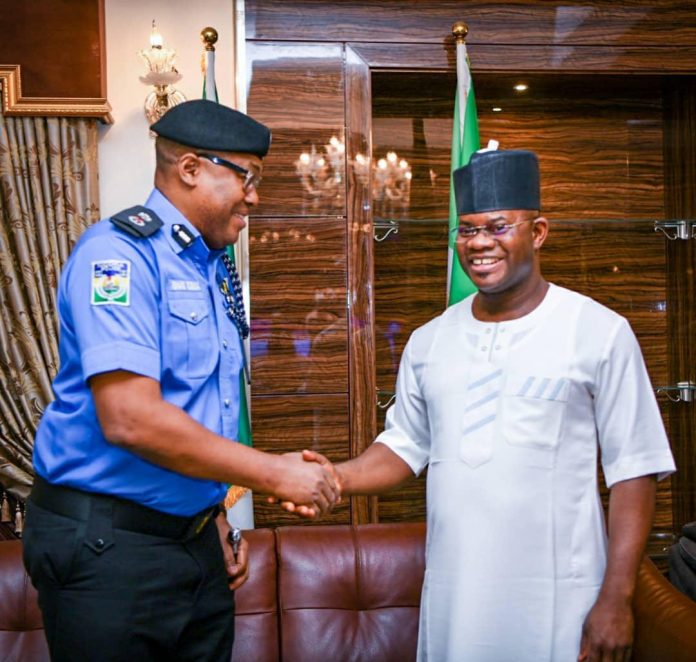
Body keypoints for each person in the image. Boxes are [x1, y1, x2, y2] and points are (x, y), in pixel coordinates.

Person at [288, 147, 676, 661]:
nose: (479, 244)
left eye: (497, 227)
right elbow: (404, 446)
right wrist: (336, 479)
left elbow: (636, 471)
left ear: (537, 232)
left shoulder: (599, 332)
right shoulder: (429, 340)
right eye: (467, 230)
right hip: (456, 601)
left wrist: (617, 597)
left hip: (563, 600)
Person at [22, 99, 340, 662]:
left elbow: (193, 406)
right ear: (190, 168)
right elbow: (130, 418)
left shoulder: (209, 265)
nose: (255, 195)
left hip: (189, 540)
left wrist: (210, 516)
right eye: (247, 176)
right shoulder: (118, 257)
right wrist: (272, 473)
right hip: (110, 545)